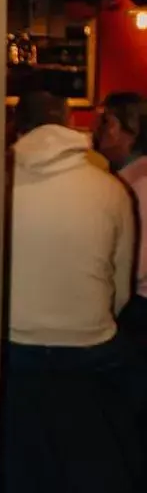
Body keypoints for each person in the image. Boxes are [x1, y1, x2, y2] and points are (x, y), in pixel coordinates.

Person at [0, 87, 141, 493]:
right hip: (90, 359)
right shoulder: (109, 189)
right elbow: (122, 292)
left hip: (15, 353)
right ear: (71, 125)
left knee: (18, 472)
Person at [95, 90, 147, 339]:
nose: (97, 132)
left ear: (117, 127)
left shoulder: (137, 187)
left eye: (104, 122)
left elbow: (136, 269)